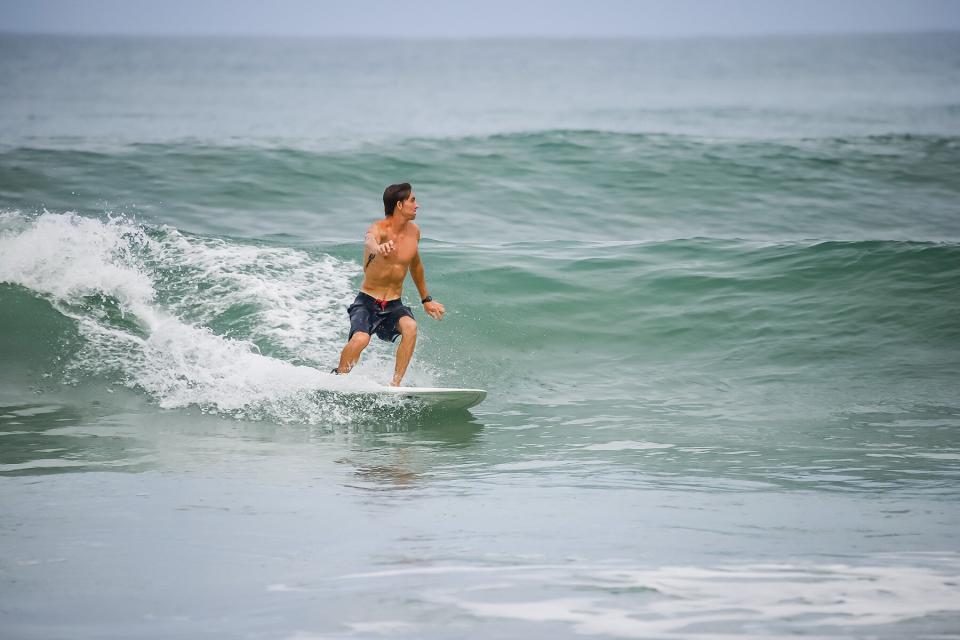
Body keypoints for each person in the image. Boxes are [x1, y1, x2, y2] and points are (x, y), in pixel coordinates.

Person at [333, 183, 446, 386]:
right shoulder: (378, 228)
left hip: (393, 303)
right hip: (368, 302)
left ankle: (395, 385)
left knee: (410, 327)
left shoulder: (414, 232)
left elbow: (416, 265)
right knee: (360, 340)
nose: (417, 205)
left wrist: (426, 300)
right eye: (412, 200)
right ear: (399, 205)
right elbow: (369, 240)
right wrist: (378, 248)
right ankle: (338, 379)